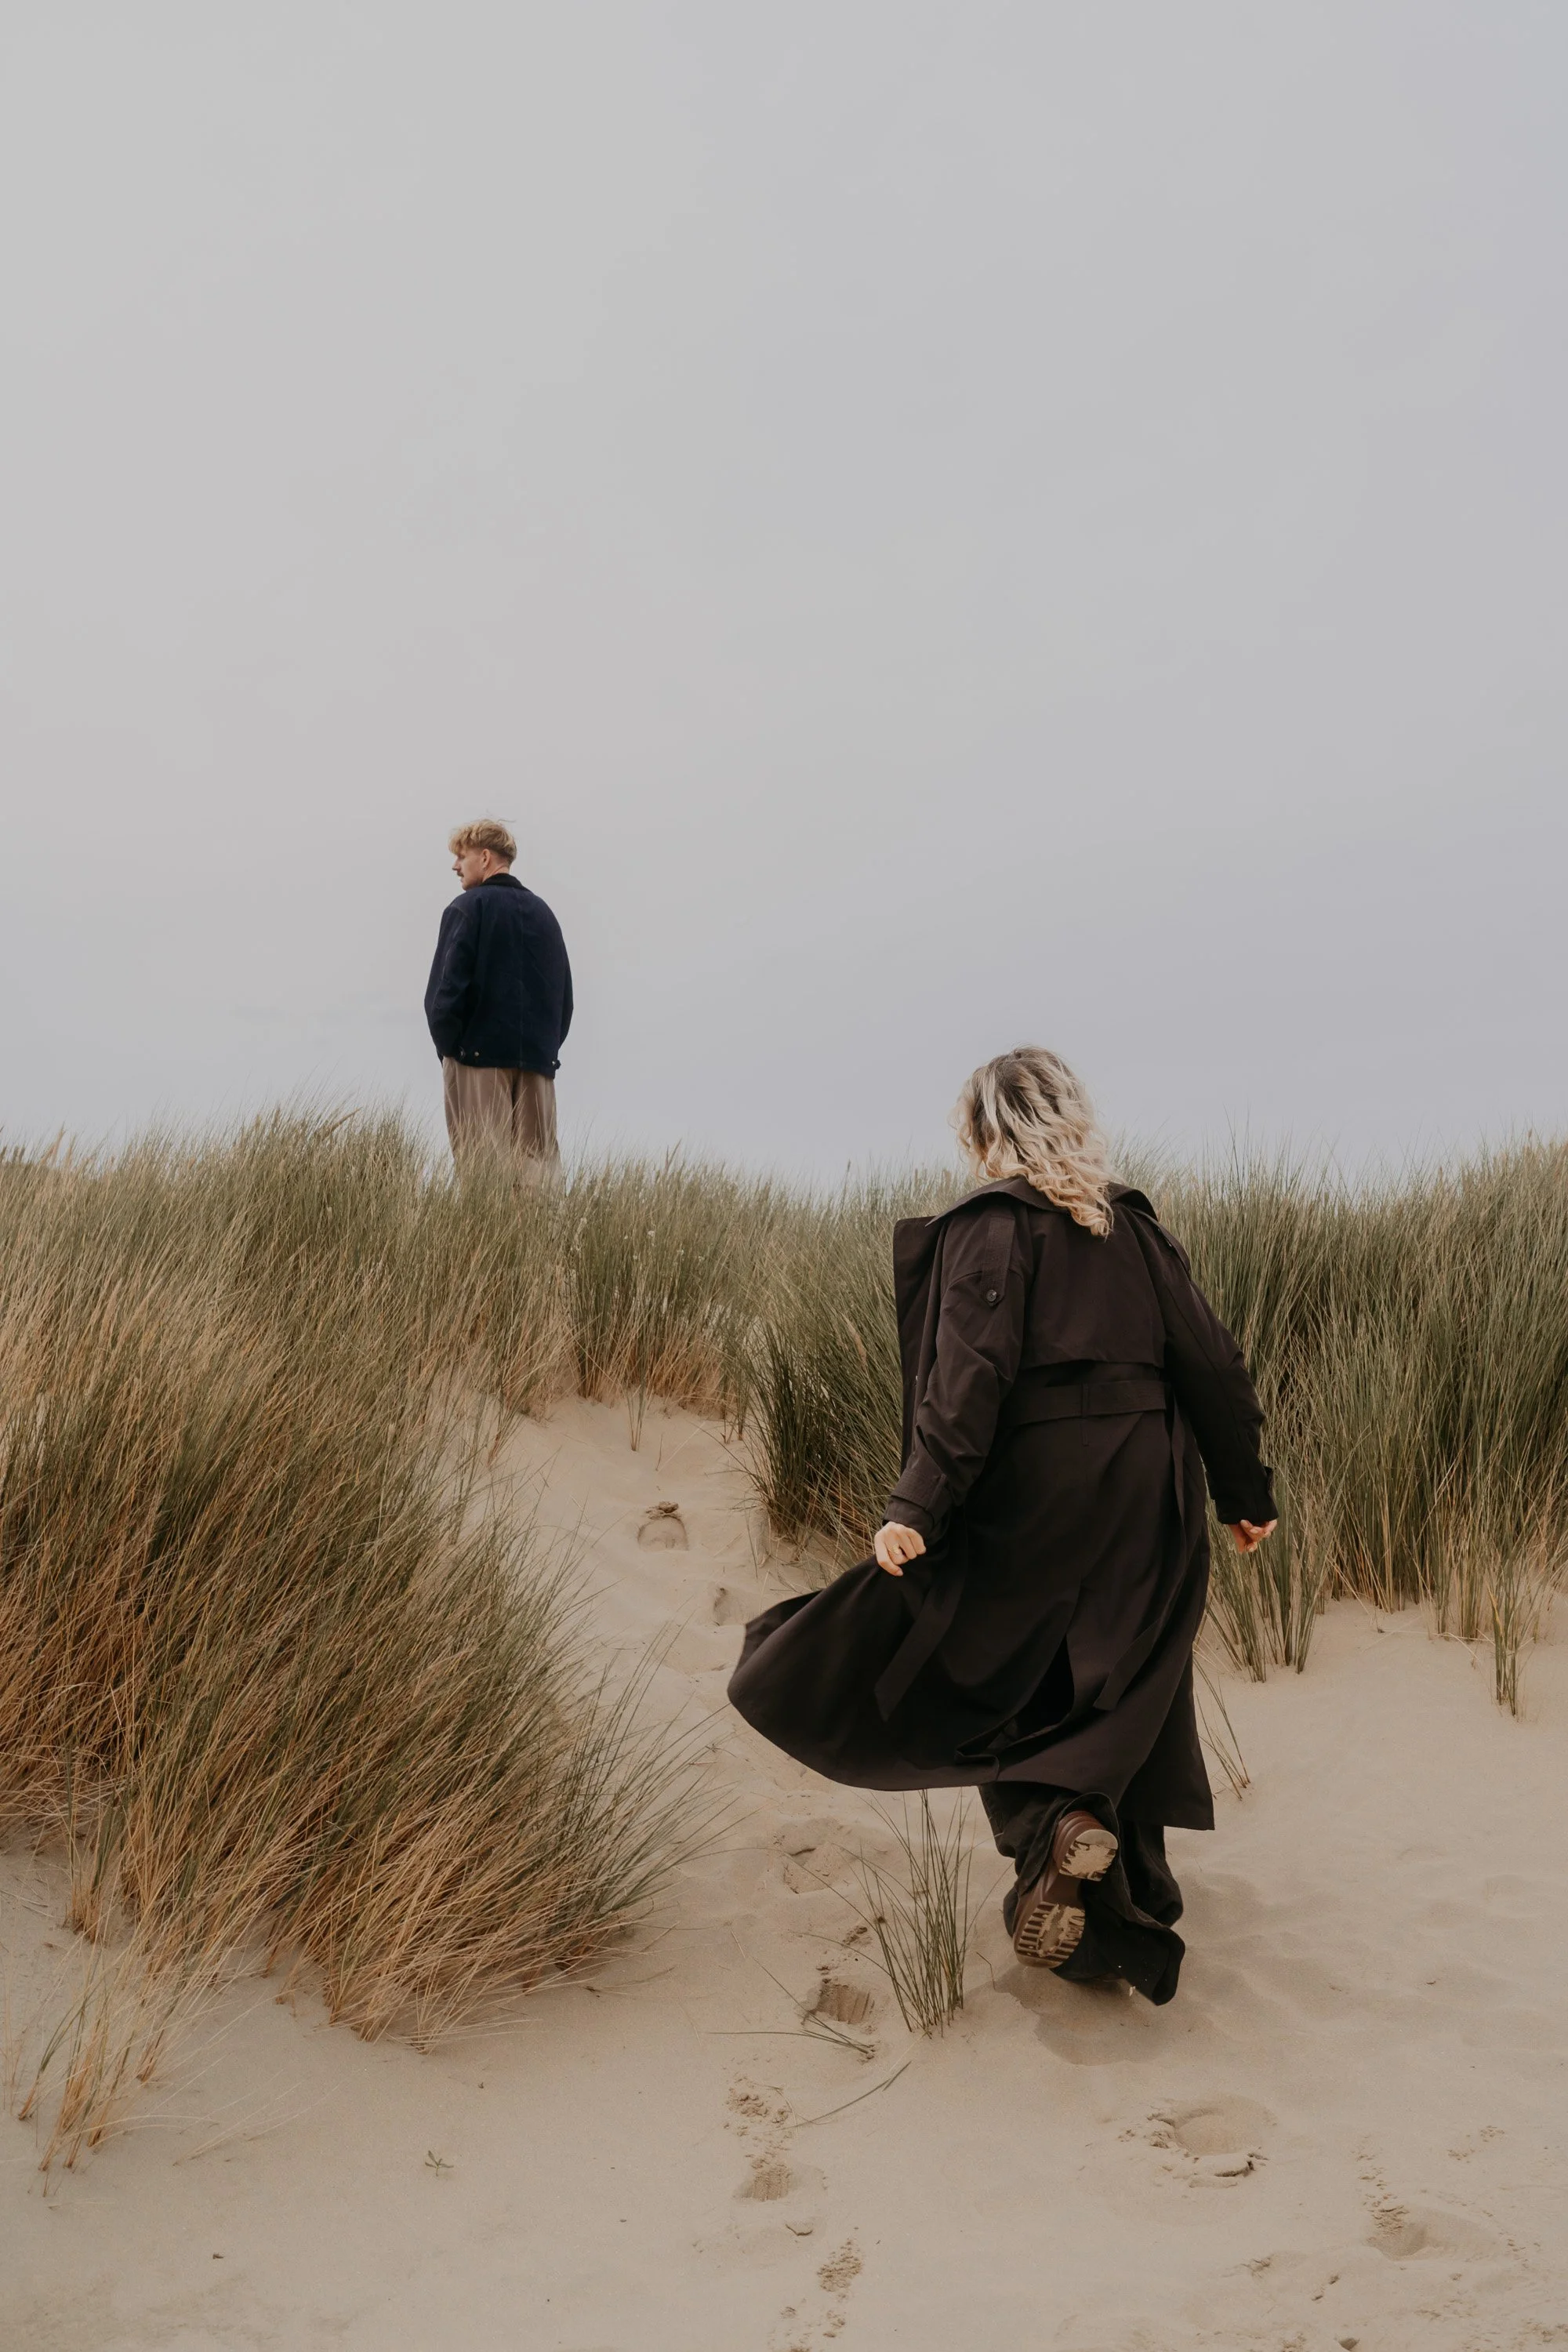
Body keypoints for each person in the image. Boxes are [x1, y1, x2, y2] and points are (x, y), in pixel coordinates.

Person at [728, 1047, 1276, 2005]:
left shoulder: (987, 1228)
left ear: (987, 1136)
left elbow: (965, 1383)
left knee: (992, 1672)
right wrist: (1244, 1494)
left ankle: (1053, 1837)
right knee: (1125, 1683)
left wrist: (915, 1506)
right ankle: (1113, 1903)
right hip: (1152, 1489)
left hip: (1035, 1487)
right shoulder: (1136, 1234)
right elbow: (1214, 1366)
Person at [424, 818, 573, 1179]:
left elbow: (444, 995)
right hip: (537, 1065)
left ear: (486, 858)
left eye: (462, 856)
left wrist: (451, 1052)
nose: (455, 865)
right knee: (539, 1180)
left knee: (485, 1178)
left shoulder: (467, 908)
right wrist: (542, 1049)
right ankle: (541, 1240)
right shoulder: (545, 915)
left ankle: (488, 1241)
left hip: (476, 1060)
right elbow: (564, 999)